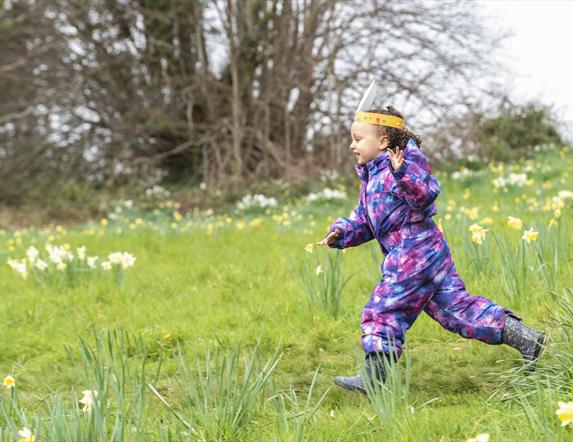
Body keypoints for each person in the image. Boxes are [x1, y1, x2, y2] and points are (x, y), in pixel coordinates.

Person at [318, 104, 548, 395]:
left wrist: (402, 173)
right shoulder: (373, 176)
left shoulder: (401, 166)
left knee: (385, 307)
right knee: (457, 311)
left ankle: (374, 379)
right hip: (427, 252)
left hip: (413, 253)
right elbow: (367, 218)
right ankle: (528, 338)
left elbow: (424, 195)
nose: (352, 145)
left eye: (358, 138)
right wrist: (342, 232)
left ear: (383, 142)